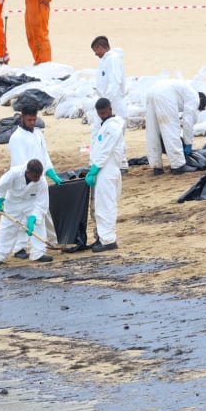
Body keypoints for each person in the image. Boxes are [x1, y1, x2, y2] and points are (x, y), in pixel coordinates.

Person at [8, 104, 61, 256]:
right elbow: (20, 164)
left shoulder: (38, 134)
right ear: (22, 118)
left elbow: (44, 154)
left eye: (34, 119)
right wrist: (31, 181)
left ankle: (52, 241)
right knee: (24, 214)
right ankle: (20, 248)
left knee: (43, 211)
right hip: (25, 182)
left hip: (39, 178)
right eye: (29, 119)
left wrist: (50, 171)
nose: (32, 122)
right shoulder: (17, 138)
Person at [0, 159, 53, 267]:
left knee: (38, 225)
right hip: (12, 202)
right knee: (7, 228)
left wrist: (34, 217)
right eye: (35, 177)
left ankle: (38, 253)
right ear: (28, 172)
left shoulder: (41, 181)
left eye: (39, 177)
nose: (37, 179)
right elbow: (0, 187)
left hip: (31, 203)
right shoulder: (14, 173)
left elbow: (42, 202)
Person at [85, 98, 125, 252]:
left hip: (107, 171)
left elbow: (106, 151)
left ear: (110, 109)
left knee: (106, 207)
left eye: (104, 112)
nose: (102, 115)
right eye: (99, 113)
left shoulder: (113, 127)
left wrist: (95, 168)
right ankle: (102, 237)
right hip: (101, 171)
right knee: (99, 207)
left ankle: (109, 240)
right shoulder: (105, 126)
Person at [145, 79, 206, 175]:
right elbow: (188, 122)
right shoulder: (194, 98)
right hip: (165, 94)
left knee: (153, 130)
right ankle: (178, 165)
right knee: (170, 129)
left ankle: (156, 166)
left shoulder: (185, 92)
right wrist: (188, 143)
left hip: (152, 91)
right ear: (201, 101)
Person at [91, 35, 129, 171]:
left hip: (113, 104)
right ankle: (106, 161)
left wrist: (107, 103)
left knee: (116, 133)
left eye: (96, 50)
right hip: (107, 103)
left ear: (100, 47)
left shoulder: (112, 60)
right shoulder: (106, 61)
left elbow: (115, 82)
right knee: (104, 133)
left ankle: (122, 163)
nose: (95, 54)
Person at [24, 0, 53, 64]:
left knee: (40, 37)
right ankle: (39, 61)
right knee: (31, 36)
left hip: (38, 9)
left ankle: (45, 63)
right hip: (31, 10)